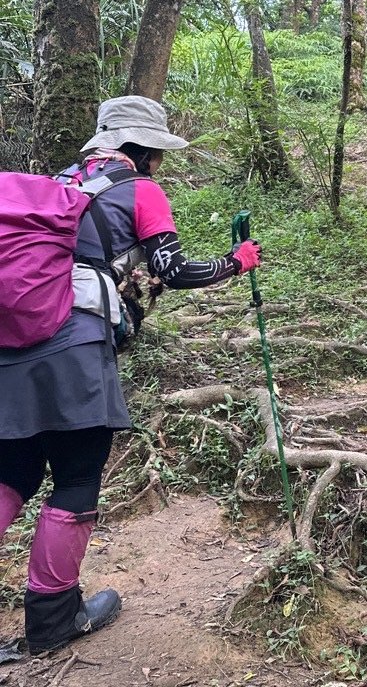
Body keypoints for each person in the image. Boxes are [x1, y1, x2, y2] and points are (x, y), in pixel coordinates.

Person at [0, 95, 262, 655]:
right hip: (74, 345)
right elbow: (174, 270)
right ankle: (52, 620)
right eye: (158, 155)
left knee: (12, 472)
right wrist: (238, 261)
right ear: (142, 151)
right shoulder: (140, 189)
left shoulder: (55, 184)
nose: (159, 165)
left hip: (9, 345)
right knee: (75, 473)